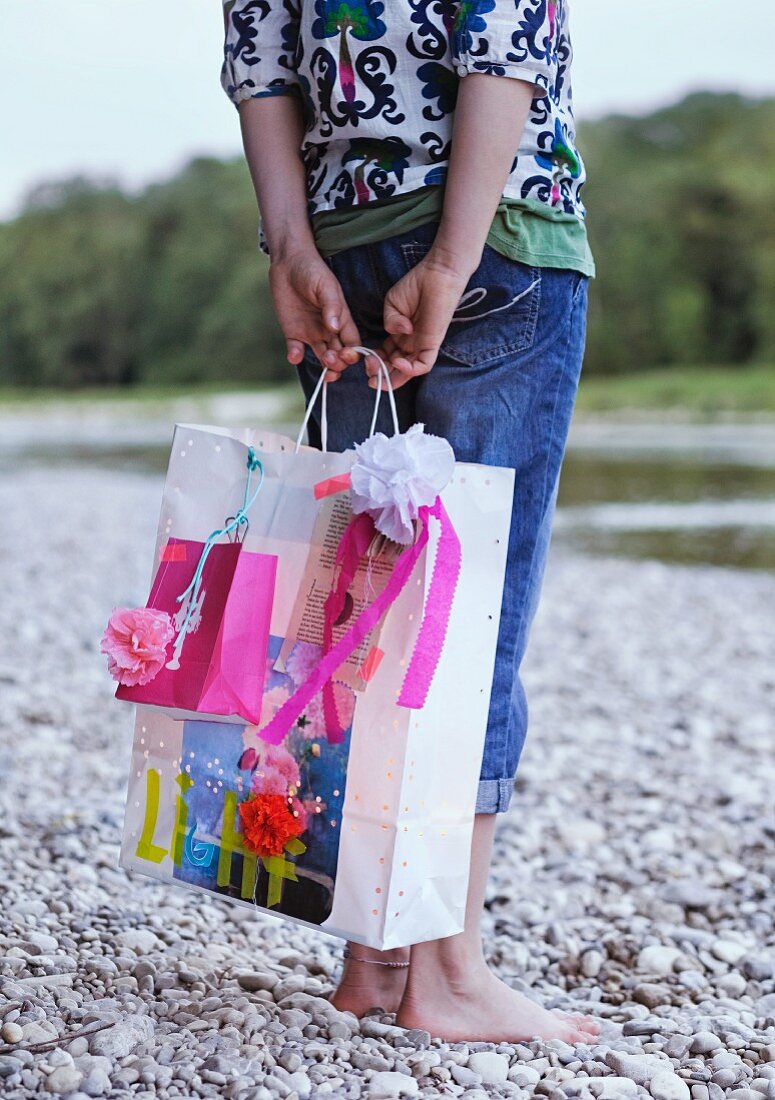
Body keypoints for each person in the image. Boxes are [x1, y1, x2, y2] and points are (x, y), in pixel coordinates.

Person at [221, 0, 598, 1044]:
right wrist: (455, 258)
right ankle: (447, 972)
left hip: (339, 246)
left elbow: (259, 63)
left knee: (358, 609)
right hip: (494, 238)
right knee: (466, 618)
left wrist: (289, 248)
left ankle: (371, 957)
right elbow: (505, 41)